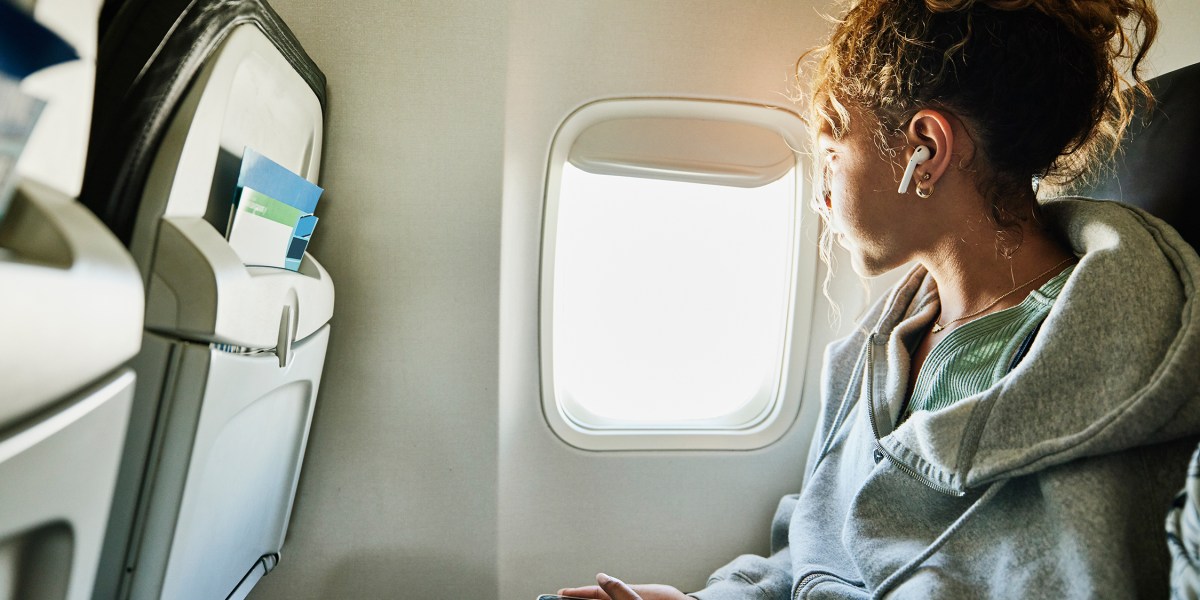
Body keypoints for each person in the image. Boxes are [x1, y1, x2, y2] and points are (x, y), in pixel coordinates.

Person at [558, 0, 1200, 598]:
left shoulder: (1100, 357)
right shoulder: (868, 353)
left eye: (834, 152)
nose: (824, 196)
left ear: (926, 150)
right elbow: (813, 554)